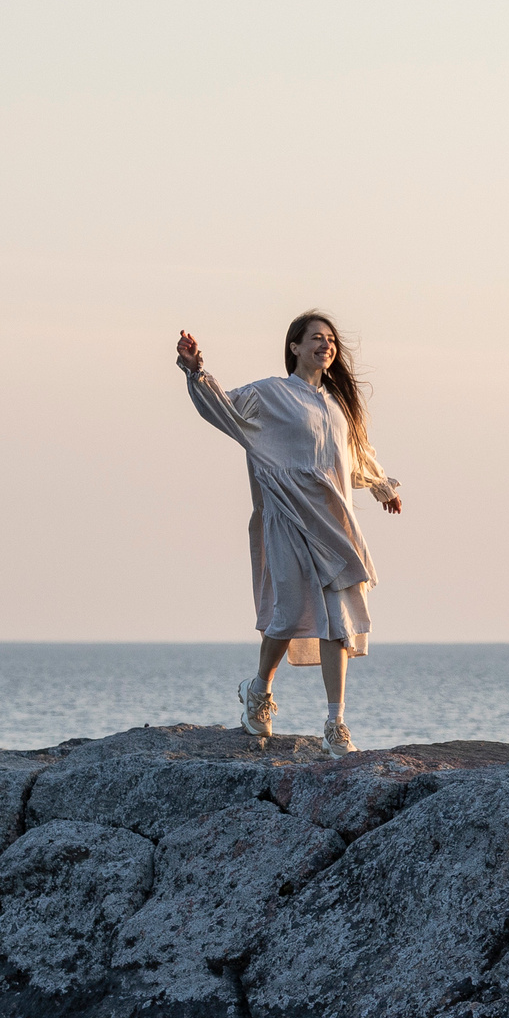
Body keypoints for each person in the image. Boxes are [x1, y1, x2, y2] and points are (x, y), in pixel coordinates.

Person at [176, 311, 403, 756]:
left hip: (333, 525)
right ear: (294, 347)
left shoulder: (339, 407)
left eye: (331, 339)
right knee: (289, 612)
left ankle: (336, 723)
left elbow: (355, 457)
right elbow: (223, 406)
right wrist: (196, 371)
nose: (326, 344)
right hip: (285, 516)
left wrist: (380, 487)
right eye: (316, 338)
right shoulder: (271, 394)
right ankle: (258, 690)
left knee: (338, 622)